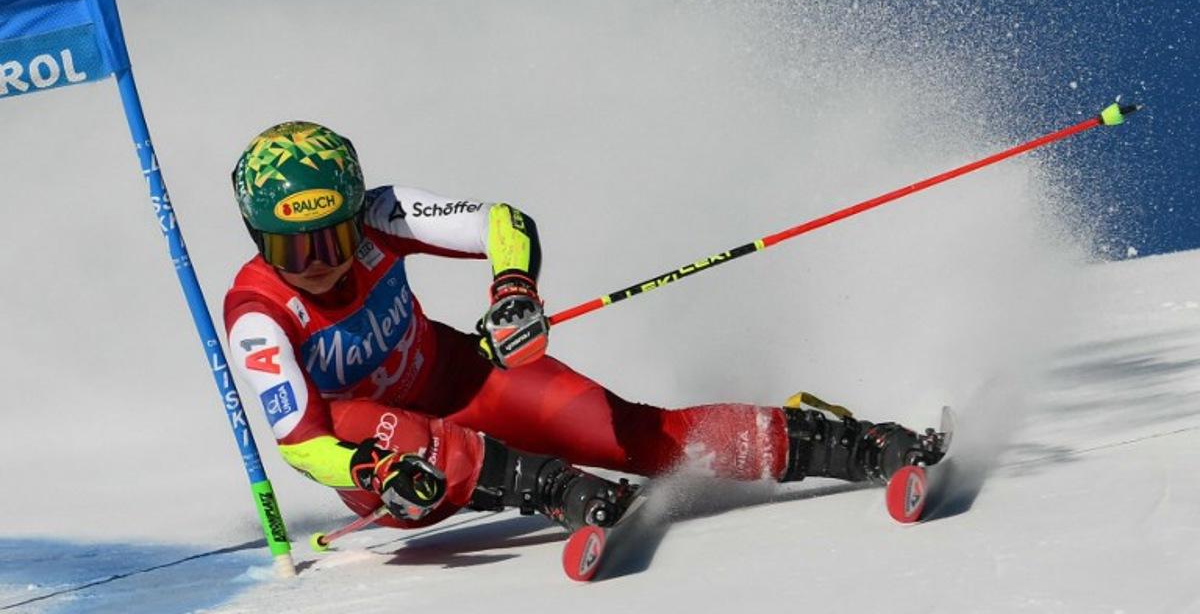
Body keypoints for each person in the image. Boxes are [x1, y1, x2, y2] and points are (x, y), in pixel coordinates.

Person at [224, 121, 944, 532]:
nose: (319, 265)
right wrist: (365, 471)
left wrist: (513, 291)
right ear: (259, 240)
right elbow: (302, 443)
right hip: (390, 471)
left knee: (625, 432)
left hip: (456, 377)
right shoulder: (257, 316)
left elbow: (500, 223)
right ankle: (556, 489)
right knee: (377, 427)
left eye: (333, 239)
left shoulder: (384, 213)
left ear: (357, 214)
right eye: (293, 250)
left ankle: (852, 445)